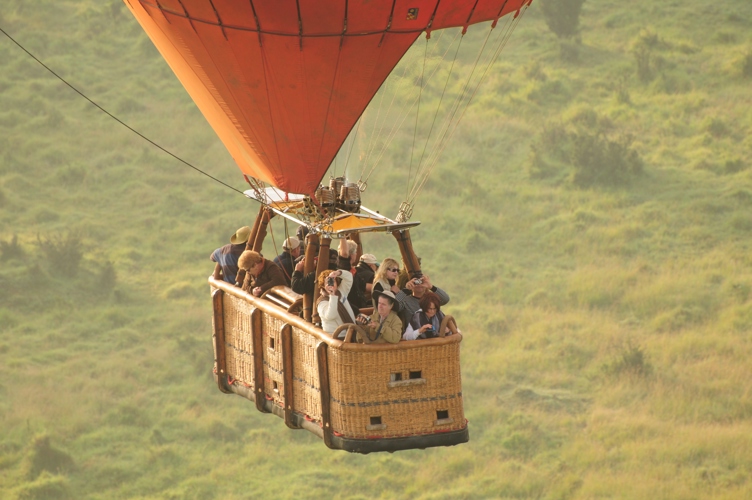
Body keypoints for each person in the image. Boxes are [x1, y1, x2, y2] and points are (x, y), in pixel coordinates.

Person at [316, 269, 356, 334]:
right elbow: (331, 315)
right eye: (327, 282)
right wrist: (332, 295)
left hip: (351, 333)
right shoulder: (321, 302)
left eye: (333, 281)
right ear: (323, 285)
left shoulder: (341, 292)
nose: (331, 284)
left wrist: (338, 273)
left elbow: (349, 277)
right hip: (336, 337)